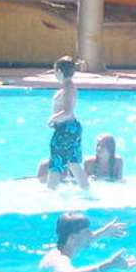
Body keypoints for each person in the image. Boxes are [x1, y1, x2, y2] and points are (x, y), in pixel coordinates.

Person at [37, 213, 136, 272]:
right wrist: (108, 265)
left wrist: (105, 232)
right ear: (72, 238)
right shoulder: (60, 259)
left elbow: (88, 239)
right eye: (86, 232)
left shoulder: (66, 246)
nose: (90, 234)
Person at [45, 56, 88, 191]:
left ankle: (51, 190)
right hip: (70, 127)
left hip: (66, 129)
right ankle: (86, 190)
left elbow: (67, 112)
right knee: (72, 162)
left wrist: (52, 119)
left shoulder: (68, 87)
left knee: (56, 161)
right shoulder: (68, 87)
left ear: (59, 71)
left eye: (54, 71)